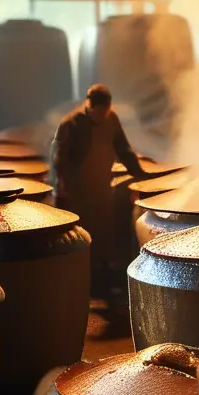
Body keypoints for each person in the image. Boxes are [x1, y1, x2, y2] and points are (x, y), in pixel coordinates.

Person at [52, 84, 150, 304]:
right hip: (80, 192)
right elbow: (59, 161)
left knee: (104, 232)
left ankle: (104, 280)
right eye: (99, 112)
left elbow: (123, 149)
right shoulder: (70, 124)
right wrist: (63, 189)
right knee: (86, 234)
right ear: (89, 105)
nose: (103, 116)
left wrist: (139, 173)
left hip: (102, 187)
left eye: (106, 111)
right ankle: (89, 283)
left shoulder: (111, 119)